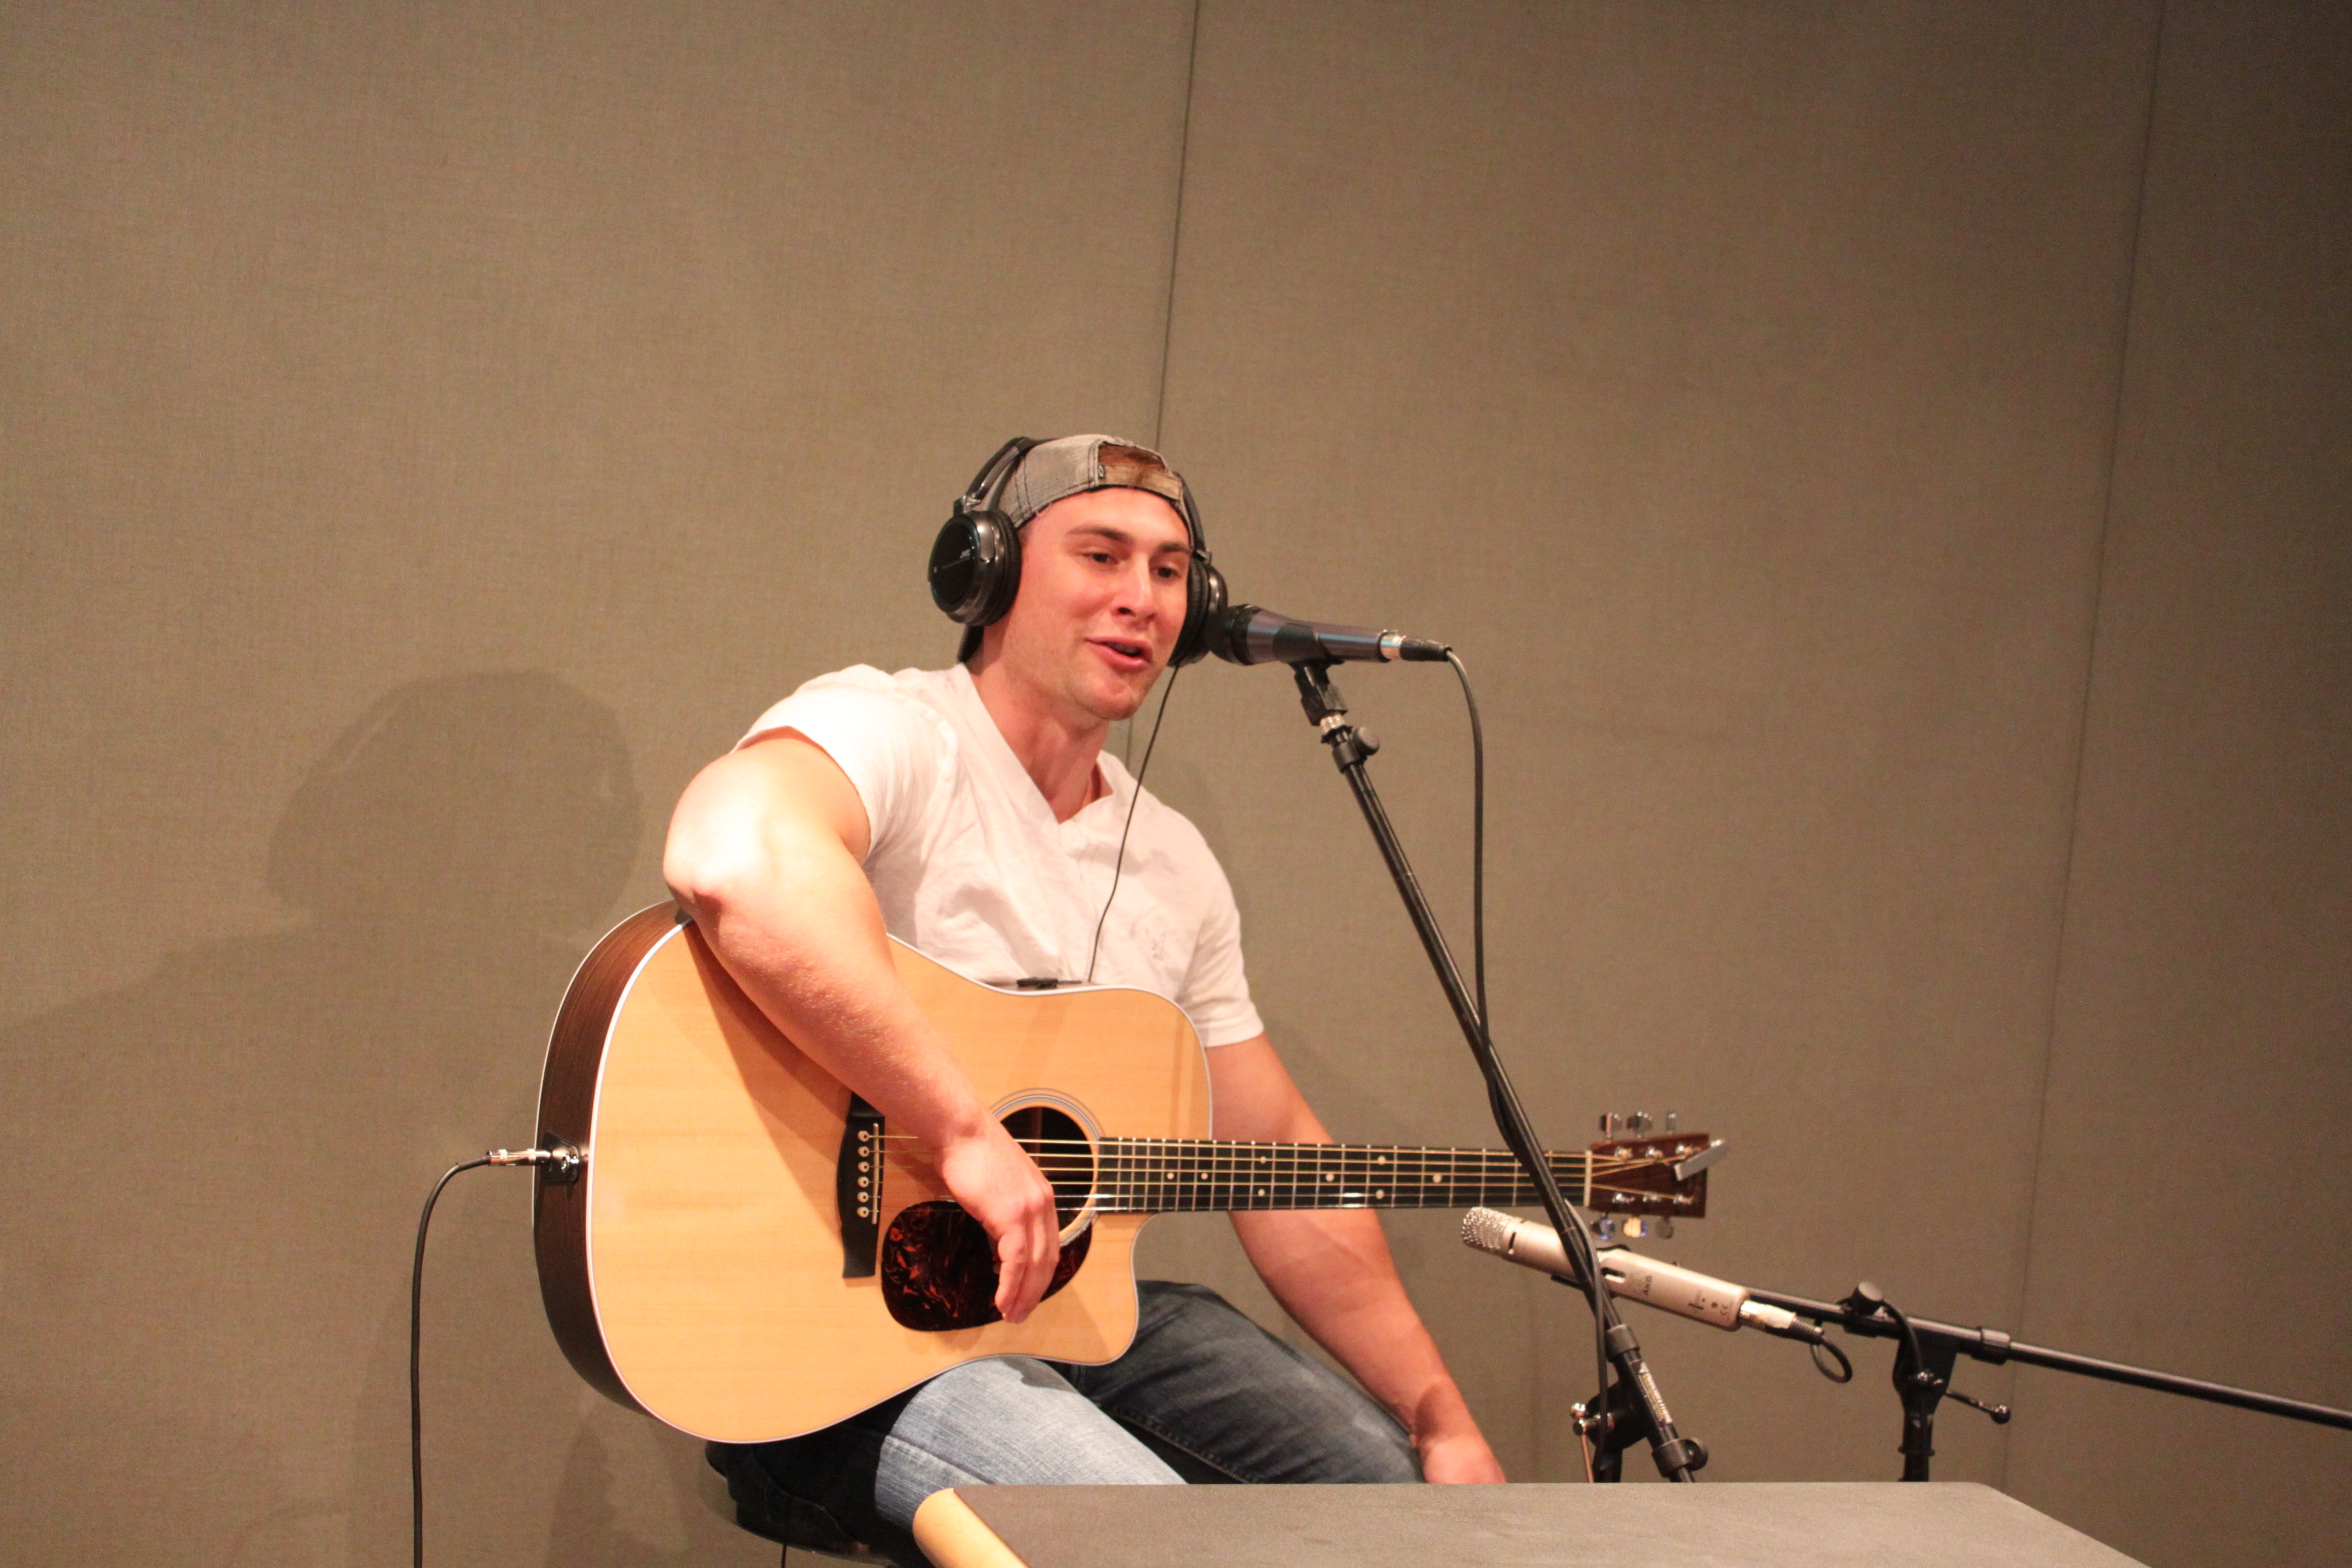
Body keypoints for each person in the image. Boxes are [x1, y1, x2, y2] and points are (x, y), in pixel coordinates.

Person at [663, 435, 1501, 1563]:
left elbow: (1279, 1150)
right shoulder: (895, 732)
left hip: (1072, 1316)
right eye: (1099, 554)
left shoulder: (1174, 862)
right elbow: (735, 855)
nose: (1139, 599)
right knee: (1156, 1545)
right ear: (991, 573)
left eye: (1168, 570)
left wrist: (1438, 1413)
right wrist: (960, 1131)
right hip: (838, 1355)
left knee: (1399, 1511)